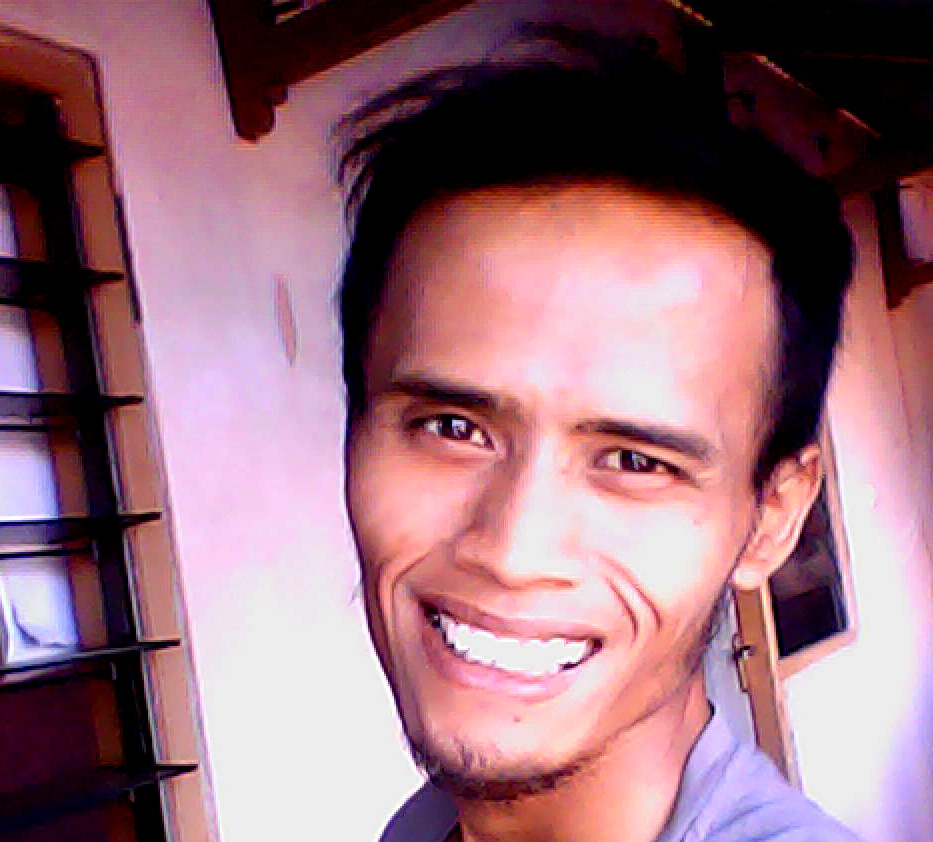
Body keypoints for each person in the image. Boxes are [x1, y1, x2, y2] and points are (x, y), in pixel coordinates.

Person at [336, 26, 859, 842]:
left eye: (634, 461)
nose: (513, 552)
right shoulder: (424, 828)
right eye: (453, 427)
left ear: (773, 516)